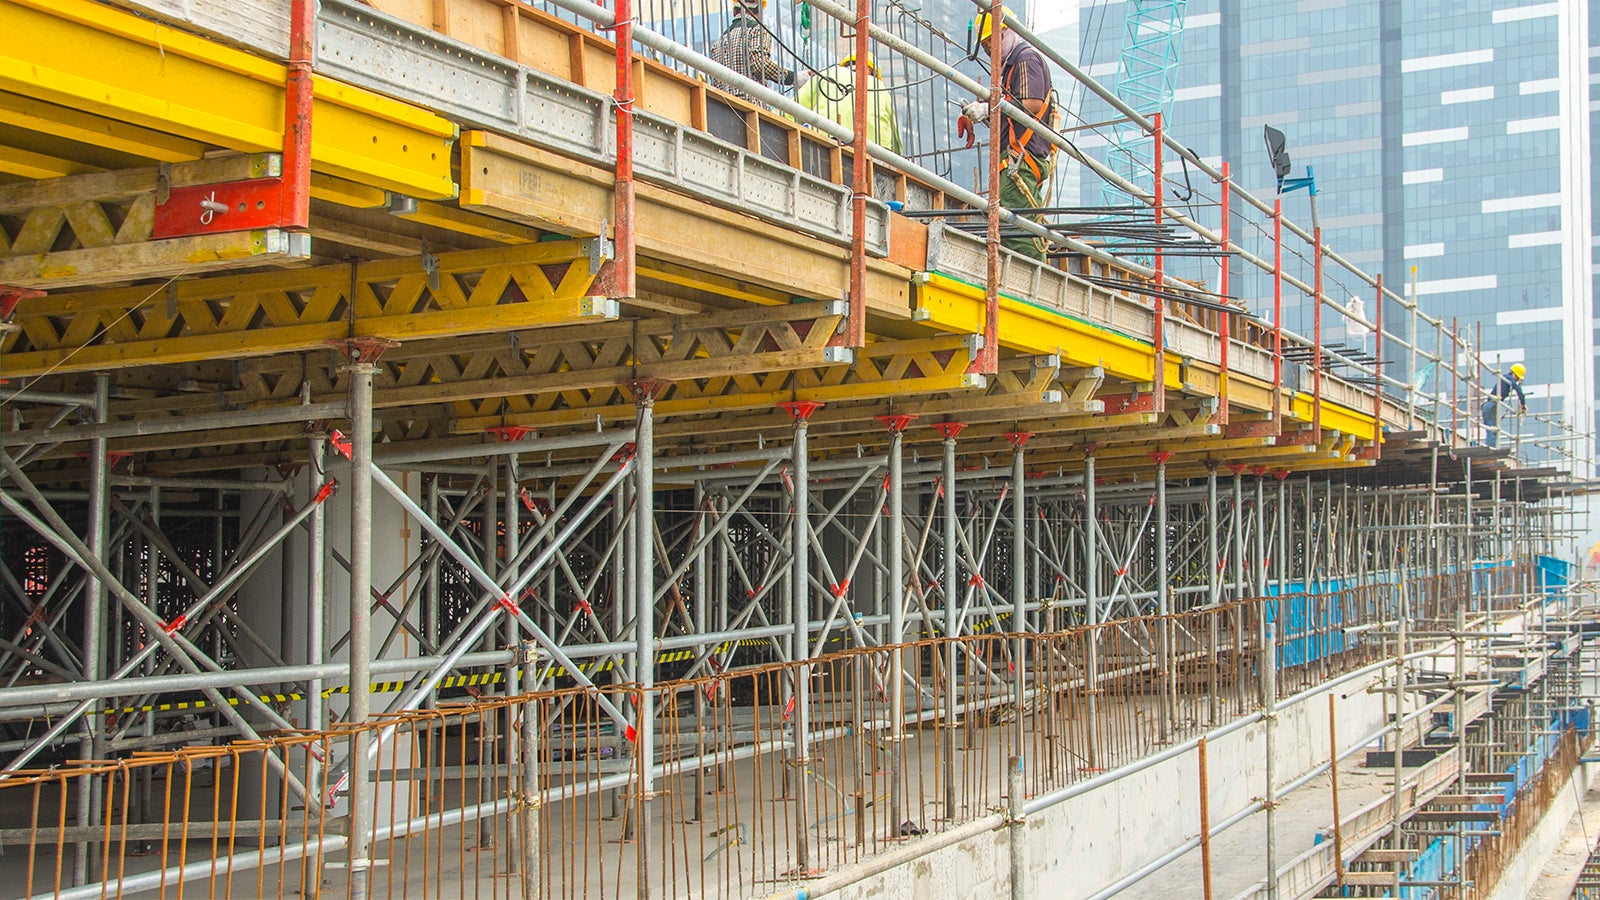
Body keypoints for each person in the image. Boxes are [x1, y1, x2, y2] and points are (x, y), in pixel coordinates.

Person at [957, 10, 1057, 260]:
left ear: (1006, 32)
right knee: (1014, 225)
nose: (989, 48)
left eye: (992, 40)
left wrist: (988, 107)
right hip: (1015, 159)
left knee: (1017, 230)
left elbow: (1030, 103)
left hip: (1020, 161)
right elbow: (1009, 110)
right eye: (984, 44)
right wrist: (977, 114)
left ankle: (1028, 286)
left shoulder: (1025, 59)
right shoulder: (1008, 68)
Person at [795, 51, 904, 154]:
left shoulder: (831, 73)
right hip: (873, 153)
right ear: (870, 70)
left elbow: (795, 107)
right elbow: (895, 139)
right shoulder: (880, 88)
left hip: (826, 141)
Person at [708, 0, 795, 102]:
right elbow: (760, 65)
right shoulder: (757, 29)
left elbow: (715, 82)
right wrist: (792, 78)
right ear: (760, 9)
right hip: (750, 106)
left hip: (724, 109)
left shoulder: (718, 43)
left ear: (734, 10)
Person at [1483, 363, 1527, 448]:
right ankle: (1492, 449)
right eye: (1517, 378)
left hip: (1491, 405)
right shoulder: (1508, 378)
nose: (1517, 380)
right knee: (1492, 430)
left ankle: (1492, 447)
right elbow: (1519, 391)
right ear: (1513, 373)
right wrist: (1523, 404)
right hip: (1491, 405)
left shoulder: (1506, 379)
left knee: (1493, 430)